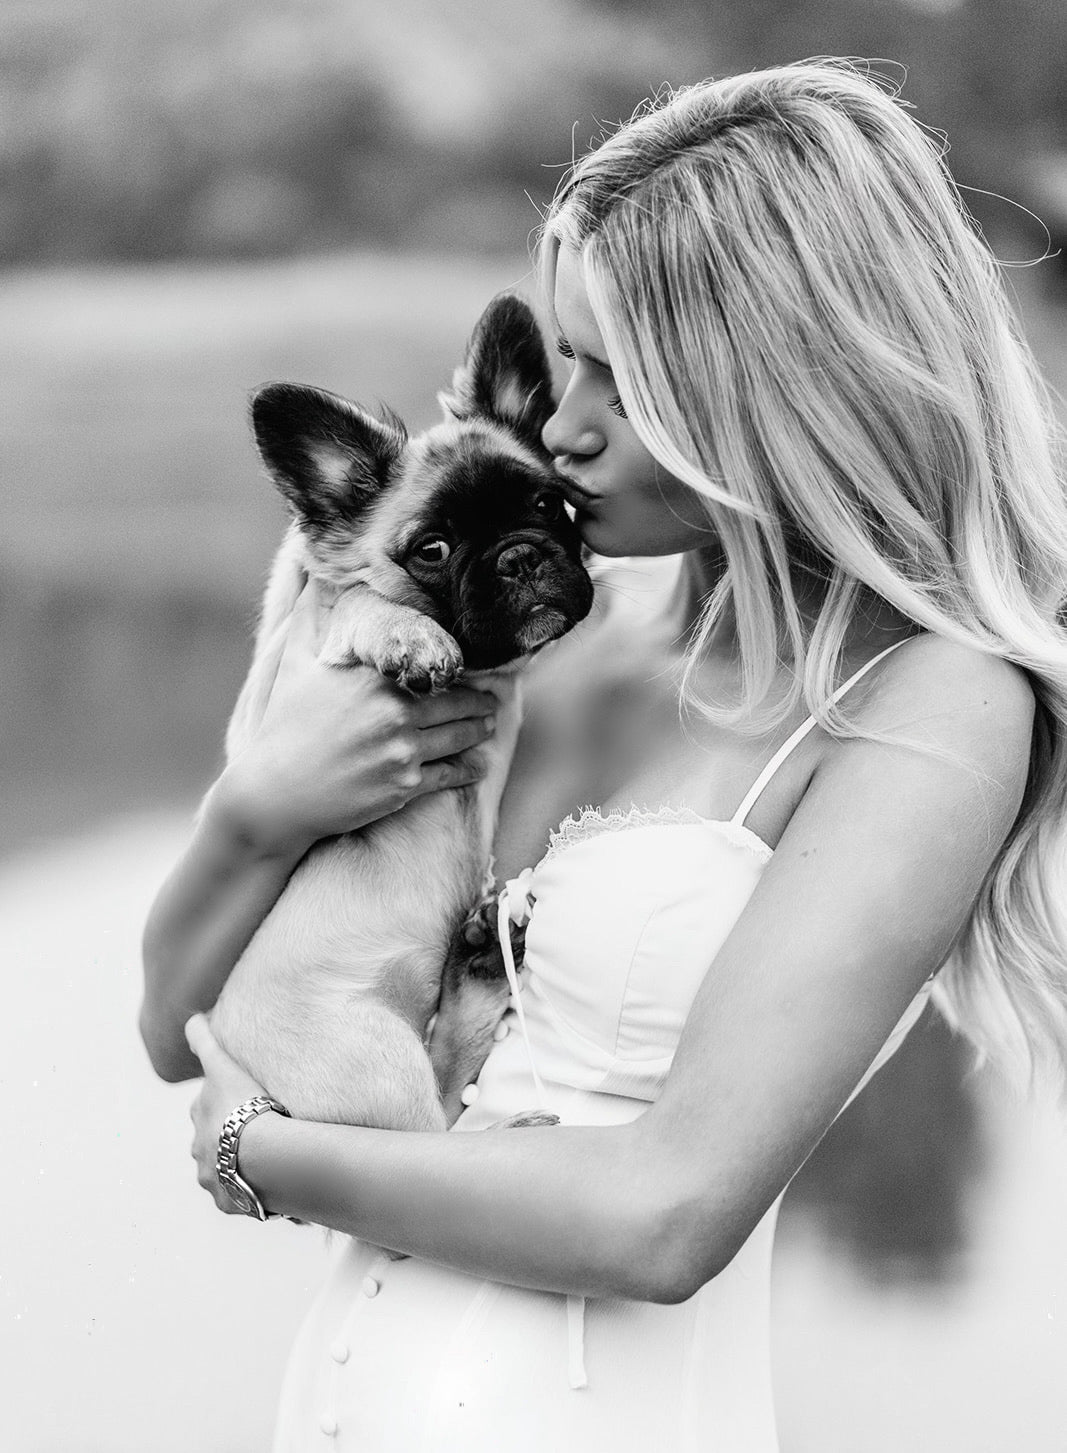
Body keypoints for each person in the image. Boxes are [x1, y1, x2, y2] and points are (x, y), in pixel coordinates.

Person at [141, 60, 1067, 1452]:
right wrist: (255, 815)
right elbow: (183, 1031)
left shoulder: (932, 705)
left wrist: (259, 1152)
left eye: (618, 380)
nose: (560, 426)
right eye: (567, 361)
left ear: (775, 381)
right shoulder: (569, 642)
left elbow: (666, 1216)